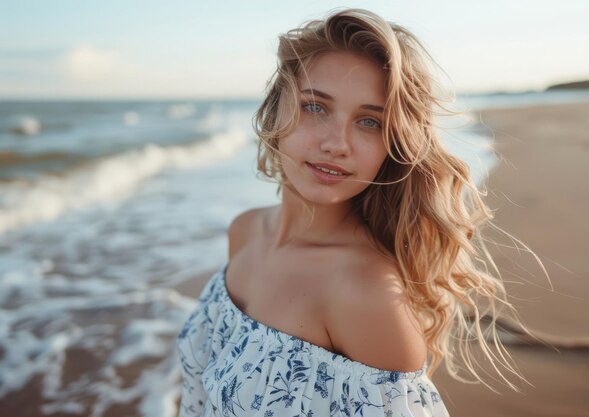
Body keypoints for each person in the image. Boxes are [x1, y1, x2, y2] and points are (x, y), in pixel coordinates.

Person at [177, 7, 544, 416]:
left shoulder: (365, 291)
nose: (337, 143)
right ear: (275, 108)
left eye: (369, 122)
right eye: (316, 107)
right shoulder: (244, 231)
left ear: (393, 145)